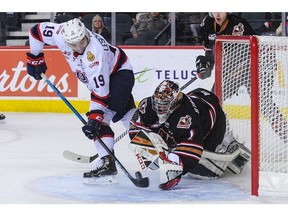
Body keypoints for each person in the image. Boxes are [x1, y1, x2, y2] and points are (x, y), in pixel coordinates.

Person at [26, 18, 136, 184]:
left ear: (86, 34)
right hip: (115, 72)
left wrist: (94, 119)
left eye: (82, 42)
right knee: (126, 114)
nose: (79, 48)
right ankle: (152, 147)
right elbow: (36, 31)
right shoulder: (59, 33)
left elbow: (101, 94)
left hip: (118, 75)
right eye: (74, 44)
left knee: (98, 122)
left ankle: (108, 163)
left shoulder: (94, 55)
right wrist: (36, 58)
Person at [128, 80, 251, 190]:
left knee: (203, 172)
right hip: (196, 102)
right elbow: (135, 127)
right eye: (157, 103)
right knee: (166, 137)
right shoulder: (147, 105)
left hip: (213, 121)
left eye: (164, 104)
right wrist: (147, 142)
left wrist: (176, 170)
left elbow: (192, 150)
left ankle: (228, 143)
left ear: (175, 101)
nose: (159, 108)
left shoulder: (186, 117)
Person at [195, 12, 287, 143]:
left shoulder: (238, 25)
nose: (218, 13)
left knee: (264, 103)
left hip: (256, 66)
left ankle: (285, 135)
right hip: (232, 70)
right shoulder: (207, 23)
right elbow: (210, 51)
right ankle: (224, 136)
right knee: (213, 100)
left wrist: (240, 68)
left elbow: (253, 49)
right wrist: (206, 65)